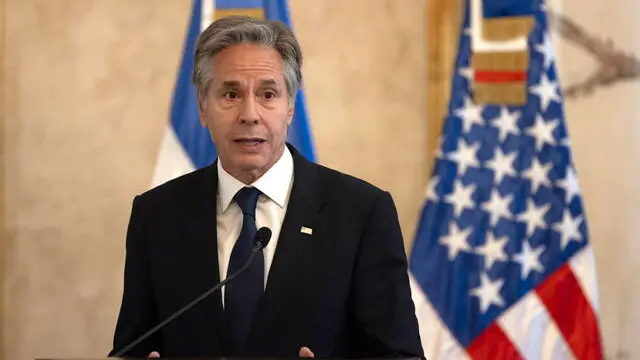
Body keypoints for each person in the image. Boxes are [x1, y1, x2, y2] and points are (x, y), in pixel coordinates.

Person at [108, 15, 424, 359]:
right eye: (230, 94)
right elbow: (132, 348)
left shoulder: (361, 213)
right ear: (202, 106)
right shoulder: (156, 215)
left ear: (290, 106)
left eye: (268, 94)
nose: (250, 114)